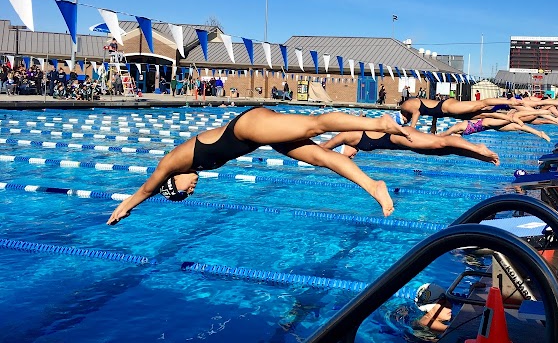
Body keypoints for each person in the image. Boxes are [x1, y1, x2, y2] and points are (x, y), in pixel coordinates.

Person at [106, 108, 414, 225]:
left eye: (183, 193)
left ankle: (377, 122)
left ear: (173, 184)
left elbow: (148, 187)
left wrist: (126, 206)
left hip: (249, 127)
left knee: (314, 126)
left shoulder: (171, 163)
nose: (191, 190)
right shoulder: (192, 166)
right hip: (255, 137)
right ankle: (373, 186)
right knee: (321, 156)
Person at [322, 127, 500, 164]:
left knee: (440, 142)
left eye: (347, 155)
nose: (352, 156)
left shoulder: (346, 135)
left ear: (342, 147)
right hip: (401, 142)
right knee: (442, 152)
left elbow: (325, 147)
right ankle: (480, 156)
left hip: (398, 137)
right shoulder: (353, 142)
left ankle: (478, 147)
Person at [399, 96, 522, 130]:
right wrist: (433, 125)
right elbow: (431, 110)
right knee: (483, 114)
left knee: (481, 103)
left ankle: (508, 101)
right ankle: (510, 117)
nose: (405, 122)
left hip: (448, 107)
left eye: (402, 121)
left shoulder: (405, 106)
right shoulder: (408, 108)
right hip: (449, 112)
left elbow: (416, 112)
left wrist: (411, 128)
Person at [436, 116, 552, 142]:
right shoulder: (459, 133)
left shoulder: (456, 128)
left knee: (512, 120)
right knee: (516, 127)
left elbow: (443, 135)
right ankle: (539, 133)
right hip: (490, 127)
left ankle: (514, 116)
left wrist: (432, 137)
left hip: (486, 122)